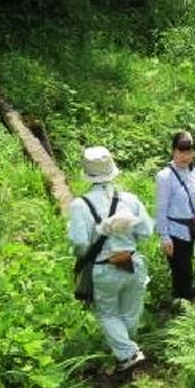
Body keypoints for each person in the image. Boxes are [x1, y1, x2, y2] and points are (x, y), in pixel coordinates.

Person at [68, 146, 153, 371]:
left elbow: (79, 243)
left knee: (107, 313)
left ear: (87, 174)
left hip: (104, 268)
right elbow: (145, 232)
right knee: (130, 310)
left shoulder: (80, 205)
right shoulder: (131, 200)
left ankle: (128, 354)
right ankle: (128, 348)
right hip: (133, 263)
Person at [155, 131, 195, 302]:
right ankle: (183, 306)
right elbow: (161, 208)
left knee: (187, 266)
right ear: (173, 151)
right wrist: (165, 237)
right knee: (181, 271)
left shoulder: (192, 170)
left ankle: (185, 302)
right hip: (175, 232)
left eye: (188, 152)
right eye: (180, 152)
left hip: (190, 229)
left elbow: (192, 199)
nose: (185, 156)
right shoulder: (165, 176)